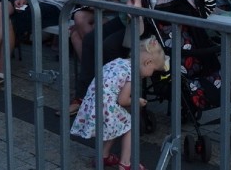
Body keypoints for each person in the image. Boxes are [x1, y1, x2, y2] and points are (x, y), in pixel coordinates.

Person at [70, 35, 167, 170]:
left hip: (93, 103)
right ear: (148, 62)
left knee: (118, 124)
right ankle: (125, 164)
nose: (150, 75)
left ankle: (102, 157)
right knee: (129, 125)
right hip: (104, 106)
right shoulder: (132, 73)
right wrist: (137, 101)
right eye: (153, 70)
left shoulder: (119, 62)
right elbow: (123, 100)